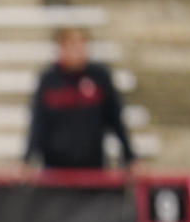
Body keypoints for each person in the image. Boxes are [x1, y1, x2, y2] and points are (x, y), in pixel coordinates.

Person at [25, 27, 136, 170]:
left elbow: (116, 119)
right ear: (61, 48)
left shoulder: (99, 76)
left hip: (93, 167)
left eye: (80, 44)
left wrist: (130, 156)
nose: (76, 50)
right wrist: (27, 159)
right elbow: (38, 123)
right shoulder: (49, 80)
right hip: (55, 169)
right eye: (70, 44)